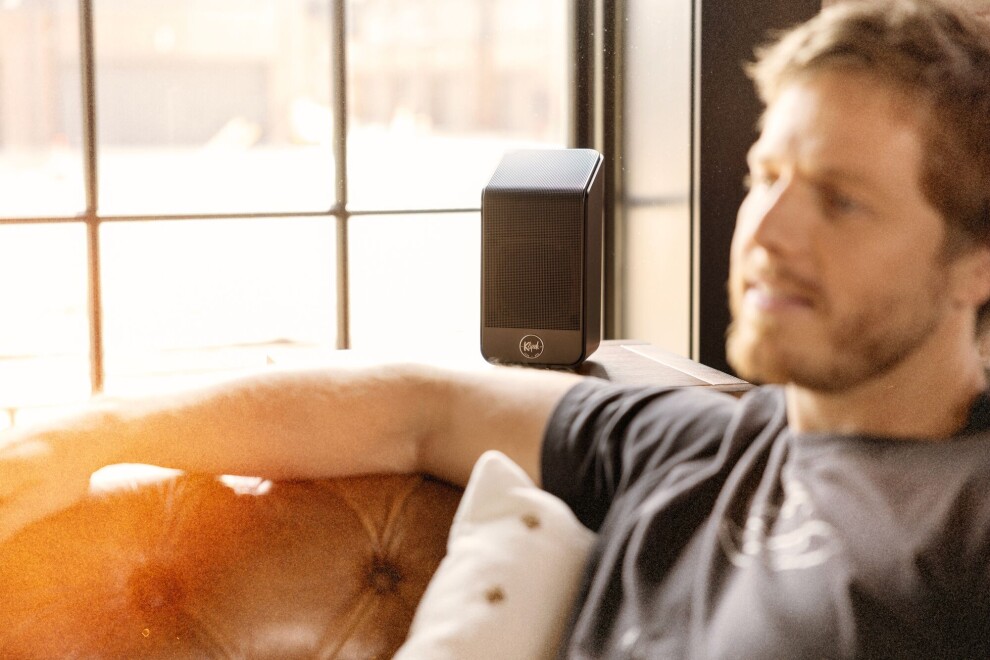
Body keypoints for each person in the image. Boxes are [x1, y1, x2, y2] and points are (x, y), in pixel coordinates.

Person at [3, 0, 990, 657]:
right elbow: (417, 407)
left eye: (841, 200)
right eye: (764, 176)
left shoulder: (965, 512)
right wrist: (92, 435)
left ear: (975, 261)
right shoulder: (691, 443)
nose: (766, 233)